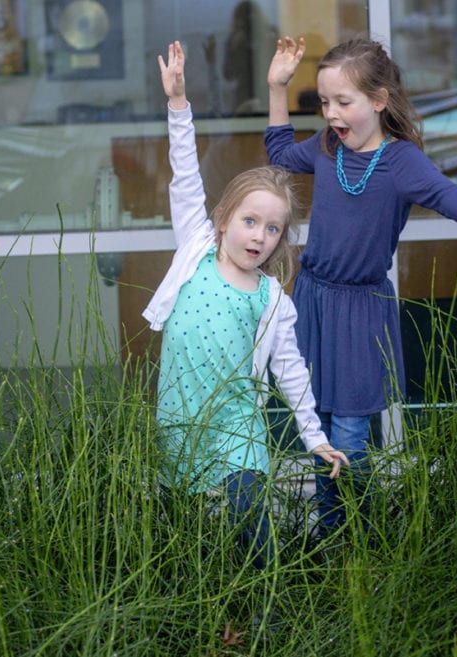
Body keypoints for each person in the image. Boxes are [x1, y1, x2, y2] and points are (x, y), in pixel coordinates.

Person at [264, 36, 457, 535]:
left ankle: (358, 537)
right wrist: (278, 87)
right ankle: (330, 531)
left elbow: (454, 198)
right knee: (317, 426)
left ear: (379, 101)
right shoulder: (326, 147)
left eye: (344, 102)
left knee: (351, 434)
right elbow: (278, 154)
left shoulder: (401, 162)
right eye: (324, 102)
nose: (332, 113)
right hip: (315, 300)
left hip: (361, 310)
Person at [144, 41, 349, 568]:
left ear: (281, 240)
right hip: (180, 421)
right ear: (222, 221)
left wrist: (315, 438)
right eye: (249, 222)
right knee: (180, 541)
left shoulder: (272, 299)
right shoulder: (195, 247)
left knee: (254, 534)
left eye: (272, 228)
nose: (258, 236)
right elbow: (185, 173)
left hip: (239, 431)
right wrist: (178, 103)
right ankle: (201, 611)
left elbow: (291, 370)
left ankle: (266, 615)